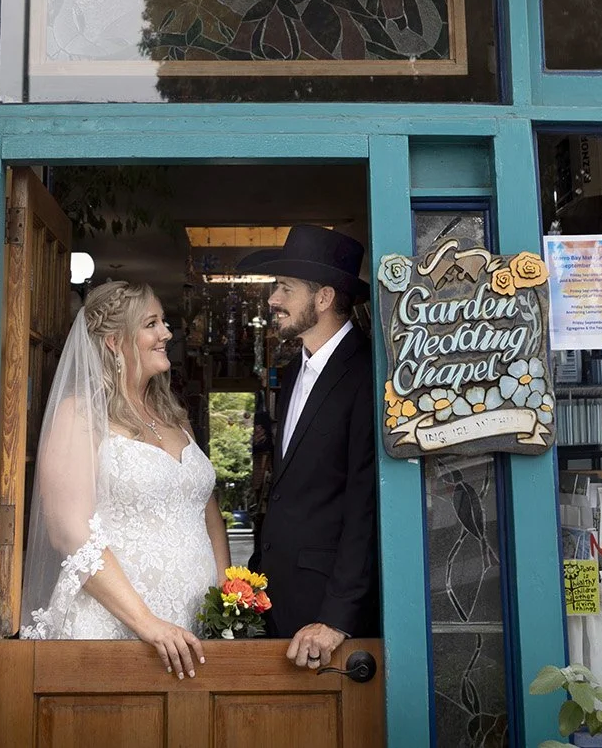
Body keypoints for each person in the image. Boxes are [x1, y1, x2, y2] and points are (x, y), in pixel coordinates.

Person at [20, 280, 229, 679]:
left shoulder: (175, 416)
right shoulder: (79, 415)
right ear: (115, 341)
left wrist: (224, 597)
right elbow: (69, 532)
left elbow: (207, 509)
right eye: (152, 323)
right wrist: (147, 623)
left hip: (195, 627)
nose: (166, 333)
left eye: (163, 322)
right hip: (116, 625)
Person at [243, 225, 379, 672]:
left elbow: (366, 503)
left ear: (323, 299)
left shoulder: (367, 376)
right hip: (278, 600)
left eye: (285, 288)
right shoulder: (290, 374)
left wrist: (336, 619)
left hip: (328, 617)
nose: (272, 300)